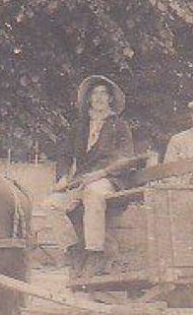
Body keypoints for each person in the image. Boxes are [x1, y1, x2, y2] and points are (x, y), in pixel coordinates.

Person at [48, 75, 136, 277]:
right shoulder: (79, 126)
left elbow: (126, 159)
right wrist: (62, 177)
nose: (99, 98)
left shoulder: (119, 126)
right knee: (51, 204)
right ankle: (73, 250)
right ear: (88, 99)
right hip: (81, 181)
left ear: (110, 99)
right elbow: (64, 155)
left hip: (109, 179)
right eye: (94, 93)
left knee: (94, 193)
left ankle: (95, 252)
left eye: (104, 93)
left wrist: (102, 173)